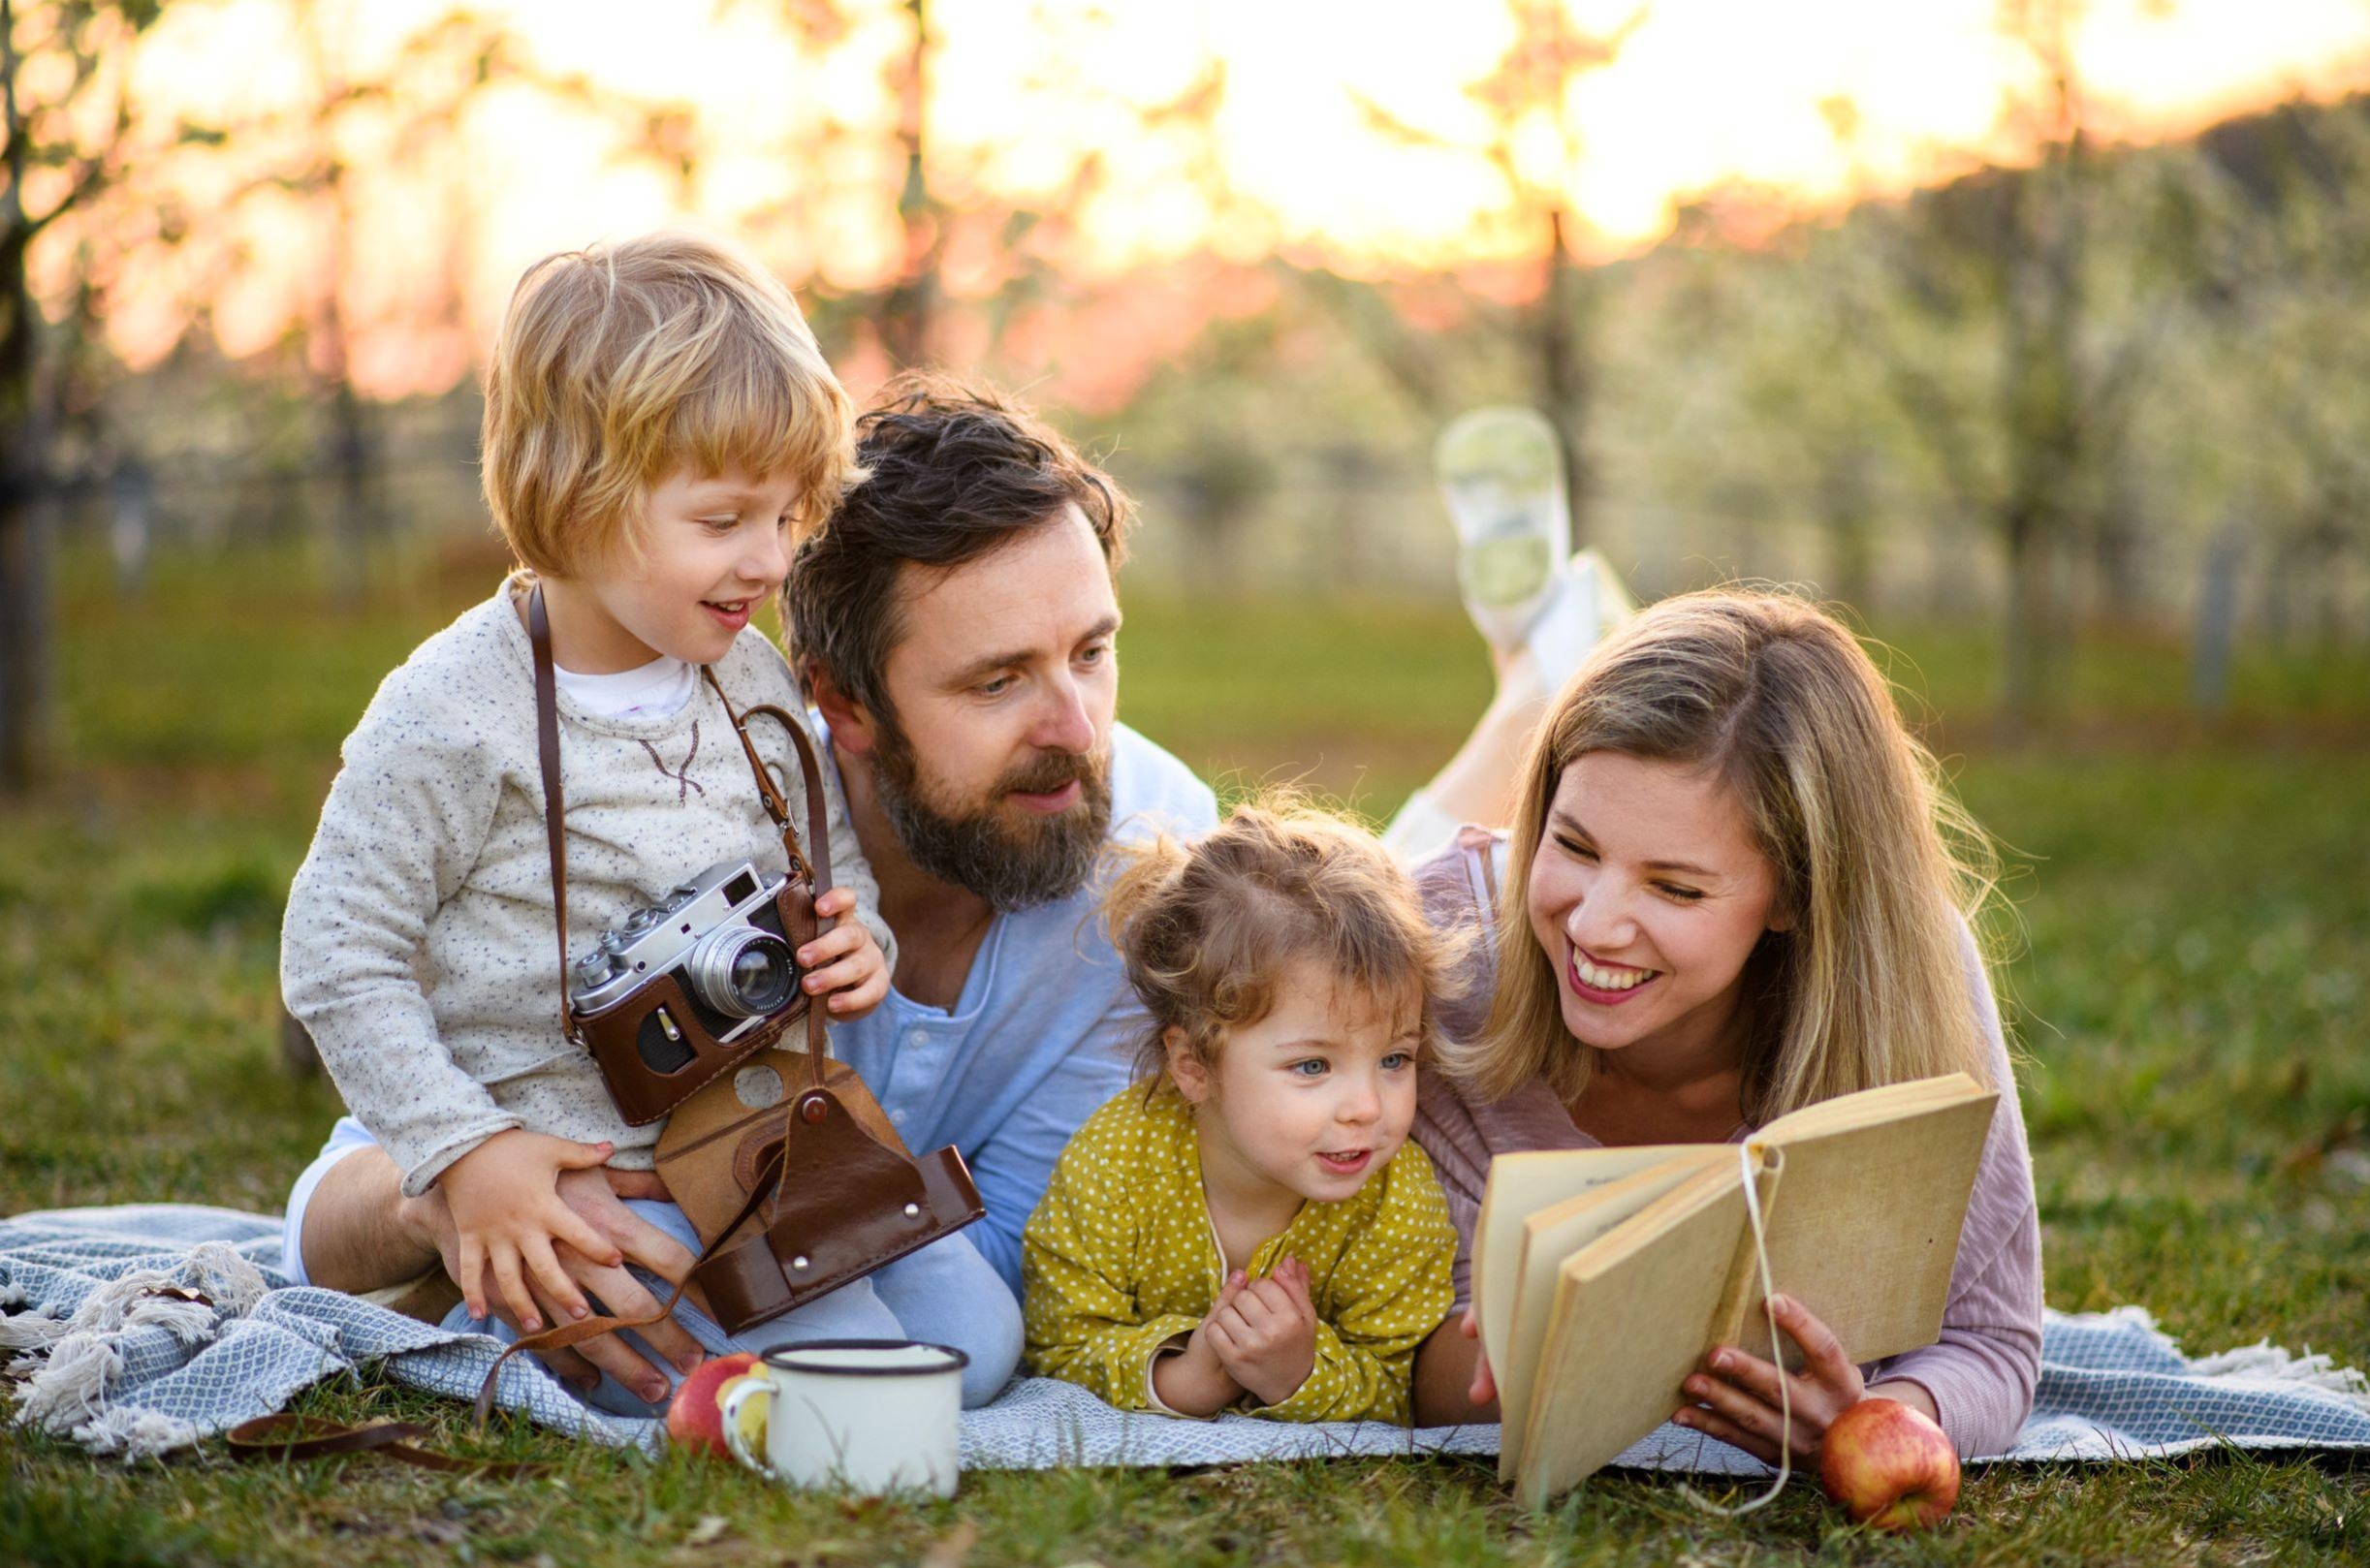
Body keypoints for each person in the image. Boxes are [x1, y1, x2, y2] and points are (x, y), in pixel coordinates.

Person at [280, 373, 1217, 1407]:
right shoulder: (690, 820)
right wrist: (464, 1202)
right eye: (996, 681)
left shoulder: (1152, 863)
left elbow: (1022, 1278)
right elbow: (325, 1222)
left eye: (1093, 652)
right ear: (841, 705)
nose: (1077, 730)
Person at [1406, 589, 2042, 1462]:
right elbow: (1382, 1354)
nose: (1593, 925)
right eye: (1573, 846)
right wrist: (1510, 1361)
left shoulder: (1908, 978)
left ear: (1794, 892)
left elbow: (1991, 1344)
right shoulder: (1434, 957)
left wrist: (1869, 1423)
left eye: (1674, 886)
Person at [1023, 803, 1458, 1423]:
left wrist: (1300, 1374)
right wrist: (1182, 1378)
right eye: (1312, 1066)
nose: (1367, 1108)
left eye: (1394, 1059)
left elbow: (1399, 1382)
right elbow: (1057, 1344)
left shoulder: (1396, 1202)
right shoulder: (1115, 1164)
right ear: (1194, 1066)